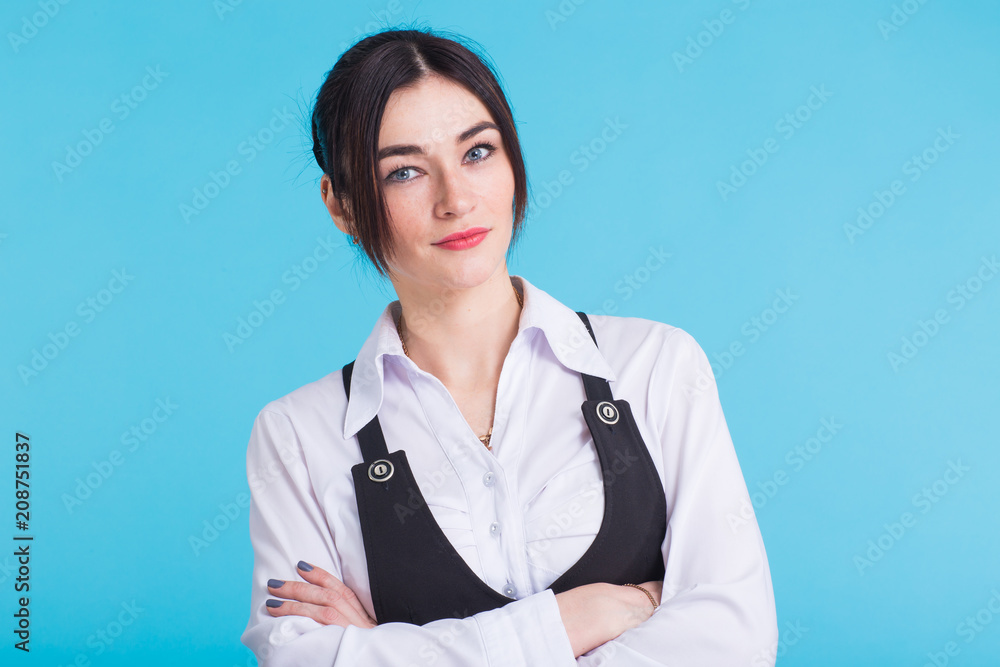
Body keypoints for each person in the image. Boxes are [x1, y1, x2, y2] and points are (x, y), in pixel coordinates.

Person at [240, 26, 778, 666]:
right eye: (404, 171)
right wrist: (579, 618)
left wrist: (386, 649)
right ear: (342, 205)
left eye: (477, 152)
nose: (456, 199)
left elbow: (736, 639)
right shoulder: (298, 438)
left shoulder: (656, 366)